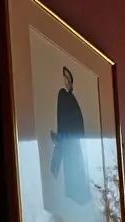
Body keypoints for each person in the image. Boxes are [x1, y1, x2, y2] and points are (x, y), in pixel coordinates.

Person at [49, 66, 91, 207]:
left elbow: (79, 123)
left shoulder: (71, 98)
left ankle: (79, 194)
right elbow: (63, 120)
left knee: (76, 166)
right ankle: (73, 193)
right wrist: (61, 139)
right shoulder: (63, 95)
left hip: (73, 142)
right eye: (65, 78)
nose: (67, 81)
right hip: (67, 141)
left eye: (68, 79)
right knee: (71, 166)